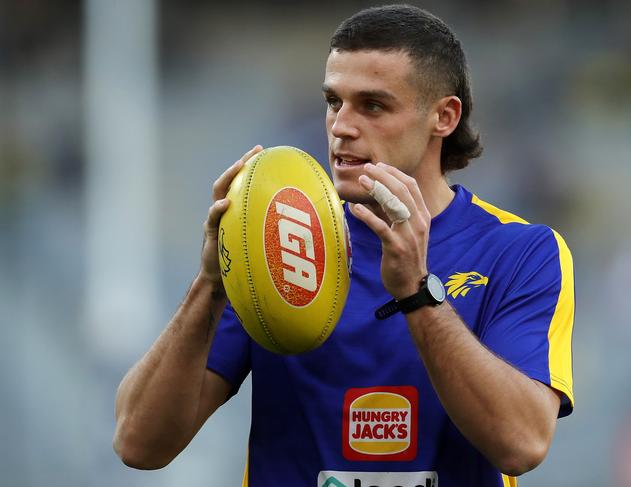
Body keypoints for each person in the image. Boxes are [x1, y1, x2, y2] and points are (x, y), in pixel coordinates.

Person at [113, 5, 575, 486]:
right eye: (334, 102)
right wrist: (210, 283)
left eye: (373, 105)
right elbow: (138, 444)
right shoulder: (273, 245)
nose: (341, 127)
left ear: (444, 116)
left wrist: (417, 294)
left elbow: (521, 444)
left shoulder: (522, 252)